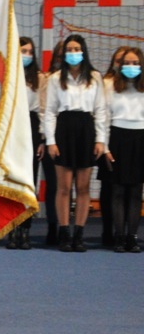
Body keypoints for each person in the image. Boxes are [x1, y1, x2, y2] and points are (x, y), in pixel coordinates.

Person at [42, 34, 107, 252]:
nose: (73, 53)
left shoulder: (95, 77)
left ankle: (79, 234)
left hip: (86, 129)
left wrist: (100, 140)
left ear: (83, 51)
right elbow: (50, 112)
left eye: (76, 49)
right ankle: (64, 233)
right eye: (69, 50)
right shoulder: (55, 79)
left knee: (83, 187)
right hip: (63, 128)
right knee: (63, 187)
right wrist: (51, 141)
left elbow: (101, 110)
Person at [102, 45, 144, 253]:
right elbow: (104, 117)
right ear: (119, 65)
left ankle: (132, 237)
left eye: (135, 63)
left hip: (140, 139)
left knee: (135, 191)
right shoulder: (110, 86)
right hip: (117, 138)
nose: (131, 66)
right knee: (117, 191)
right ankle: (118, 236)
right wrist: (105, 146)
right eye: (127, 63)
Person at [6, 37, 46, 250]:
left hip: (31, 126)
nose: (27, 55)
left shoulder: (39, 78)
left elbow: (43, 110)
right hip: (12, 126)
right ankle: (12, 228)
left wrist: (42, 139)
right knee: (12, 181)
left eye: (30, 52)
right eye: (23, 51)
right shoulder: (6, 73)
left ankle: (25, 229)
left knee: (29, 182)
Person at [97, 46, 129, 247]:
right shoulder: (105, 83)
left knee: (128, 189)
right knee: (108, 188)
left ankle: (125, 230)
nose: (121, 64)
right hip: (108, 141)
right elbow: (101, 113)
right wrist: (103, 144)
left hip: (129, 141)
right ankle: (108, 229)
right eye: (118, 61)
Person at [40, 40, 66, 245]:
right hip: (50, 136)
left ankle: (66, 227)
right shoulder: (47, 79)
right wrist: (45, 138)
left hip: (71, 135)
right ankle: (52, 226)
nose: (63, 59)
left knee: (67, 185)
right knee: (53, 184)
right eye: (59, 56)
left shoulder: (80, 82)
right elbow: (43, 110)